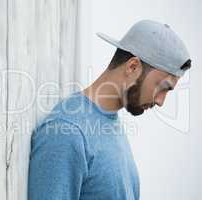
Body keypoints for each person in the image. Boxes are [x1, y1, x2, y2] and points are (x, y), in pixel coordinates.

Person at [28, 20, 191, 200]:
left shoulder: (109, 122)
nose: (160, 101)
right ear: (132, 67)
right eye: (162, 87)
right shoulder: (68, 132)